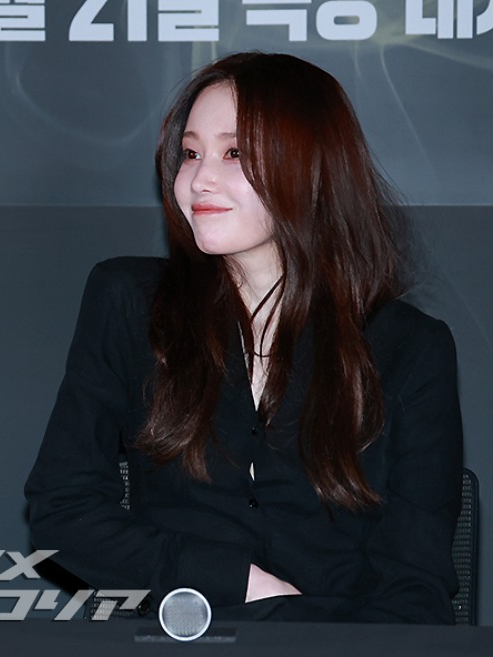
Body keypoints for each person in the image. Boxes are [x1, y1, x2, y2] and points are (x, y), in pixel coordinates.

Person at [25, 52, 463, 624]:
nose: (200, 179)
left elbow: (416, 584)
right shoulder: (131, 303)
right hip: (180, 636)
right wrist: (239, 584)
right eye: (190, 154)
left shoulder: (410, 348)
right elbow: (63, 511)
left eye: (234, 153)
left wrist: (307, 634)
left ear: (311, 169)